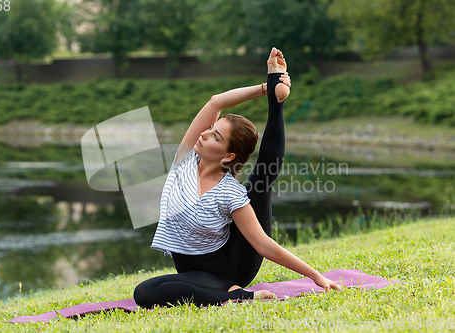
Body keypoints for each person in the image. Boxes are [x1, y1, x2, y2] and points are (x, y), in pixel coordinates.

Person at [133, 47, 341, 309]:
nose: (205, 134)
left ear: (229, 156)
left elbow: (263, 244)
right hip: (195, 274)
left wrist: (316, 277)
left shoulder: (229, 192)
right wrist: (268, 84)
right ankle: (235, 295)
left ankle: (278, 106)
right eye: (210, 129)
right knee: (145, 292)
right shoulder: (183, 161)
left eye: (215, 137)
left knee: (261, 183)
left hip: (232, 269)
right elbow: (215, 102)